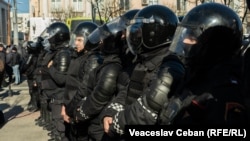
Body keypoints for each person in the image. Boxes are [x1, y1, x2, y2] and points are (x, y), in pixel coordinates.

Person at [100, 5, 185, 139]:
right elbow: (126, 92)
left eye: (139, 31)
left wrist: (116, 123)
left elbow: (146, 112)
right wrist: (110, 112)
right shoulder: (143, 60)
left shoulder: (170, 66)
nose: (134, 36)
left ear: (153, 33)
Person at [159, 3, 247, 125]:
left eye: (192, 38)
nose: (184, 41)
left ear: (214, 46)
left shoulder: (223, 92)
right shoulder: (195, 75)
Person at [72, 9, 140, 141]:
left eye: (125, 32)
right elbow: (124, 93)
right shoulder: (126, 61)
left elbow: (100, 97)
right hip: (105, 123)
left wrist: (81, 112)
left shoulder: (122, 65)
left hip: (105, 125)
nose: (122, 36)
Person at [61, 21, 99, 141]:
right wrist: (64, 105)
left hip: (80, 113)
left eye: (79, 40)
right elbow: (70, 85)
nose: (75, 43)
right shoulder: (79, 57)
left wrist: (69, 110)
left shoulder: (92, 60)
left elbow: (84, 90)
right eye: (75, 39)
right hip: (71, 110)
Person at [40, 22, 71, 141]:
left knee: (61, 128)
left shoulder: (63, 54)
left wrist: (50, 67)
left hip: (59, 96)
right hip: (53, 95)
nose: (49, 37)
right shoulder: (55, 52)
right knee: (56, 124)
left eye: (51, 34)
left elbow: (61, 79)